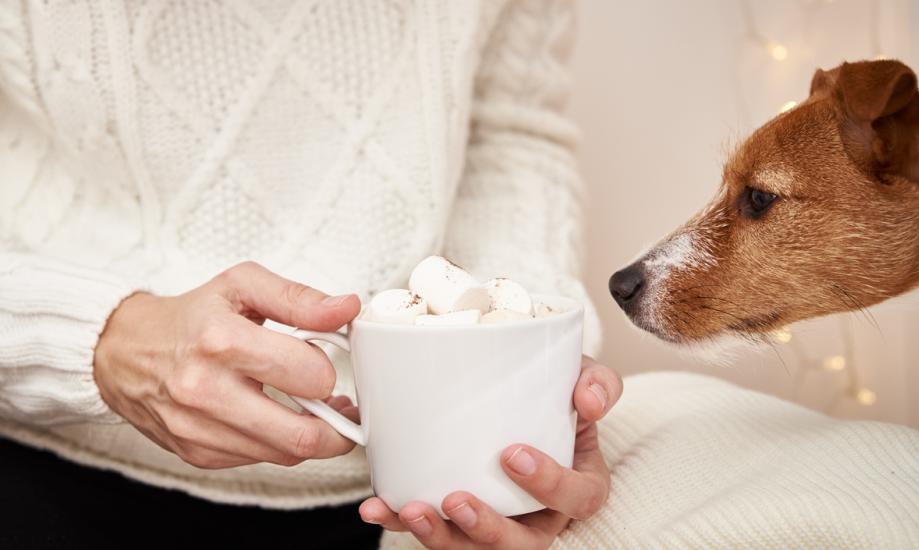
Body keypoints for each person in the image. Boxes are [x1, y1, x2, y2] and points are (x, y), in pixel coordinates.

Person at [0, 1, 621, 548]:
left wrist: (536, 385)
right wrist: (96, 339)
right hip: (46, 467)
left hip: (407, 508)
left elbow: (508, 130)